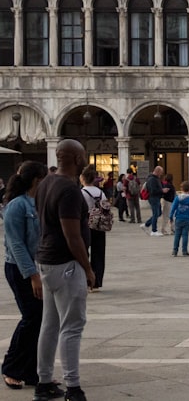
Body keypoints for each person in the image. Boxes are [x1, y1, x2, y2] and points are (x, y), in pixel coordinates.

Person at [35, 139, 94, 401]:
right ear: (77, 159)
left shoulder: (46, 182)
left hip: (46, 261)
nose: (86, 158)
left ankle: (44, 382)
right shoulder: (70, 190)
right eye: (83, 155)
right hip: (66, 263)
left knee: (49, 324)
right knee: (72, 326)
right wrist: (88, 268)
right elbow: (72, 236)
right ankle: (73, 387)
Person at [2, 161, 47, 390]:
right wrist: (32, 275)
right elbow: (16, 244)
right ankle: (11, 367)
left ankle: (30, 372)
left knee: (37, 319)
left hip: (34, 267)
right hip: (19, 268)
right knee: (31, 317)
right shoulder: (16, 206)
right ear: (36, 180)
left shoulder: (35, 203)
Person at [79, 165, 106, 292]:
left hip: (86, 224)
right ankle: (97, 281)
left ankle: (86, 279)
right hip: (99, 225)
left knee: (84, 252)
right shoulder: (101, 192)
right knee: (99, 253)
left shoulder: (82, 193)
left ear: (83, 178)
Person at [168, 181, 189, 257]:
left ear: (182, 188)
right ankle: (184, 250)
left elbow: (173, 208)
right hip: (187, 219)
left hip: (178, 218)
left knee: (177, 235)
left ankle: (175, 250)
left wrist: (170, 217)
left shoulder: (178, 198)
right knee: (185, 235)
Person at [140, 166, 164, 236]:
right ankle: (154, 230)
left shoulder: (155, 178)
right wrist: (162, 191)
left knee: (158, 213)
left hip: (157, 198)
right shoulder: (152, 179)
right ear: (157, 172)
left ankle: (146, 224)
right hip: (153, 198)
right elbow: (153, 190)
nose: (161, 174)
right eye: (160, 173)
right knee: (155, 213)